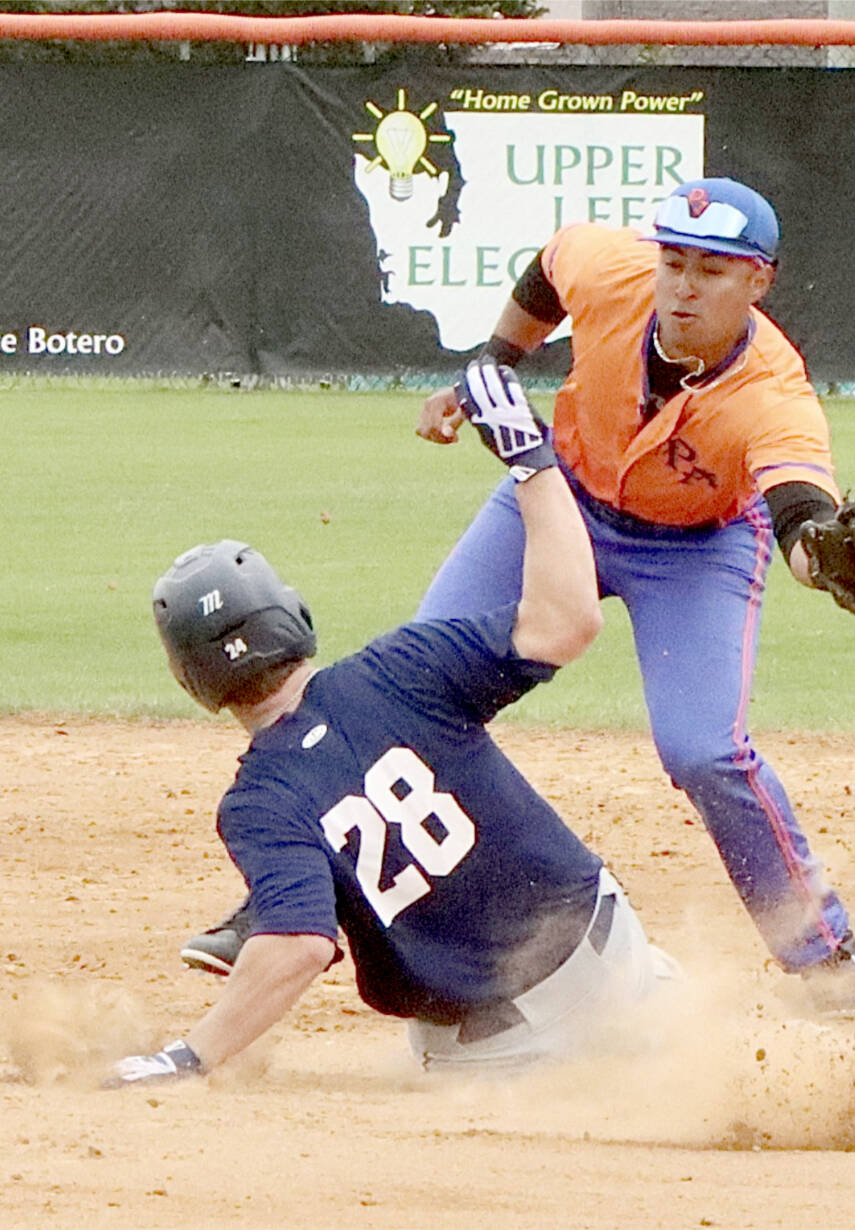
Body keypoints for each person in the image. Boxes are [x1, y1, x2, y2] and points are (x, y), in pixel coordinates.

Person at [182, 176, 855, 1019]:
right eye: (673, 261)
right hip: (558, 503)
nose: (683, 285)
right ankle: (281, 902)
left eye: (712, 271)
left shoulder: (773, 396)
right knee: (405, 696)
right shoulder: (611, 270)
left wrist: (829, 559)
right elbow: (549, 268)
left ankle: (823, 958)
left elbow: (798, 521)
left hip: (696, 548)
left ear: (759, 280)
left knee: (704, 751)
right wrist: (490, 370)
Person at [105, 361, 675, 1088]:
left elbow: (299, 948)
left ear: (195, 682)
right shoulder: (403, 667)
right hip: (613, 959)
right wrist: (530, 460)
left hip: (498, 1058)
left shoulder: (259, 802)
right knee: (708, 1050)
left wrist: (186, 1056)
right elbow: (567, 620)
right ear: (292, 617)